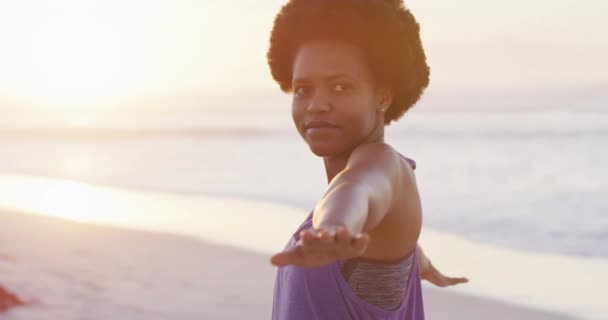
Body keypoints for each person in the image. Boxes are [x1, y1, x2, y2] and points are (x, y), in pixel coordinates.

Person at [267, 0, 467, 318]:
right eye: (303, 89)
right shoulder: (364, 230)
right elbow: (380, 229)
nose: (317, 104)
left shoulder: (384, 167)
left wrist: (334, 226)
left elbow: (357, 189)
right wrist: (417, 260)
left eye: (340, 86)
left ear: (382, 97)